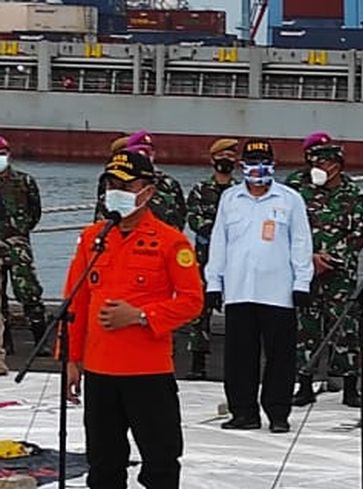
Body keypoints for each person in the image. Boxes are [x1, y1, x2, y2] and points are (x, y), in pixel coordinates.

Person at [66, 150, 203, 489]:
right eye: (112, 185)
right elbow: (76, 303)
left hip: (147, 372)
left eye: (126, 186)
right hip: (101, 371)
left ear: (148, 190)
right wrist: (71, 360)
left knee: (160, 459)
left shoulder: (170, 242)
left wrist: (142, 316)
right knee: (104, 460)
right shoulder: (94, 238)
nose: (117, 193)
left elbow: (192, 301)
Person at [205, 138, 313, 434]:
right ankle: (243, 412)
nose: (258, 169)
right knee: (239, 357)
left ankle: (278, 413)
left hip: (278, 291)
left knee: (280, 357)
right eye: (252, 163)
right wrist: (214, 282)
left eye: (264, 162)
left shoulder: (290, 199)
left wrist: (302, 282)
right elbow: (219, 243)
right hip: (239, 290)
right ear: (243, 166)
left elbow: (301, 243)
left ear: (273, 165)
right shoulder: (230, 199)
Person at [287, 132, 363, 409]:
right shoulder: (297, 188)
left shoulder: (354, 194)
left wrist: (331, 258)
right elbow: (287, 228)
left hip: (340, 274)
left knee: (345, 329)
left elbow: (359, 235)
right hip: (304, 270)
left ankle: (349, 386)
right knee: (305, 328)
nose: (319, 168)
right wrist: (308, 258)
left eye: (324, 163)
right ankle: (305, 383)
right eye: (315, 162)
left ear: (337, 165)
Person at [183, 137, 239, 380]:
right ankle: (197, 362)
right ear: (213, 159)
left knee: (239, 310)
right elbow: (194, 219)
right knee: (199, 310)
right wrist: (218, 232)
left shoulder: (241, 191)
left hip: (236, 259)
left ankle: (237, 362)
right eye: (222, 156)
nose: (226, 160)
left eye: (231, 156)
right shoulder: (199, 190)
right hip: (205, 258)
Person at [0, 135, 49, 354]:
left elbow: (35, 211)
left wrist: (20, 230)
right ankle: (4, 342)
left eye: (2, 153)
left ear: (8, 154)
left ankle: (40, 341)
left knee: (29, 291)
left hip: (18, 246)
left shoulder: (24, 181)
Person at [94, 131, 187, 231]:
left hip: (160, 237)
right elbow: (102, 209)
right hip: (115, 235)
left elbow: (180, 213)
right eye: (139, 151)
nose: (144, 155)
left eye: (148, 151)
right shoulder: (109, 180)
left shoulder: (168, 183)